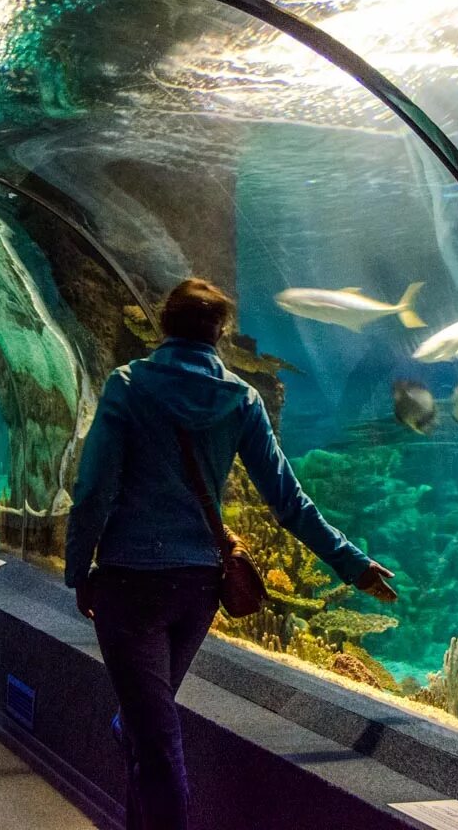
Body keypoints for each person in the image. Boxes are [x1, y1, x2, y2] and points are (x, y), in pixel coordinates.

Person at [64, 278, 397, 830]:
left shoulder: (127, 385)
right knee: (149, 725)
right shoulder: (241, 398)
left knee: (156, 736)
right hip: (197, 586)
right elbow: (288, 502)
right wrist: (350, 562)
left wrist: (79, 570)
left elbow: (95, 487)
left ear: (164, 324)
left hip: (129, 583)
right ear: (220, 333)